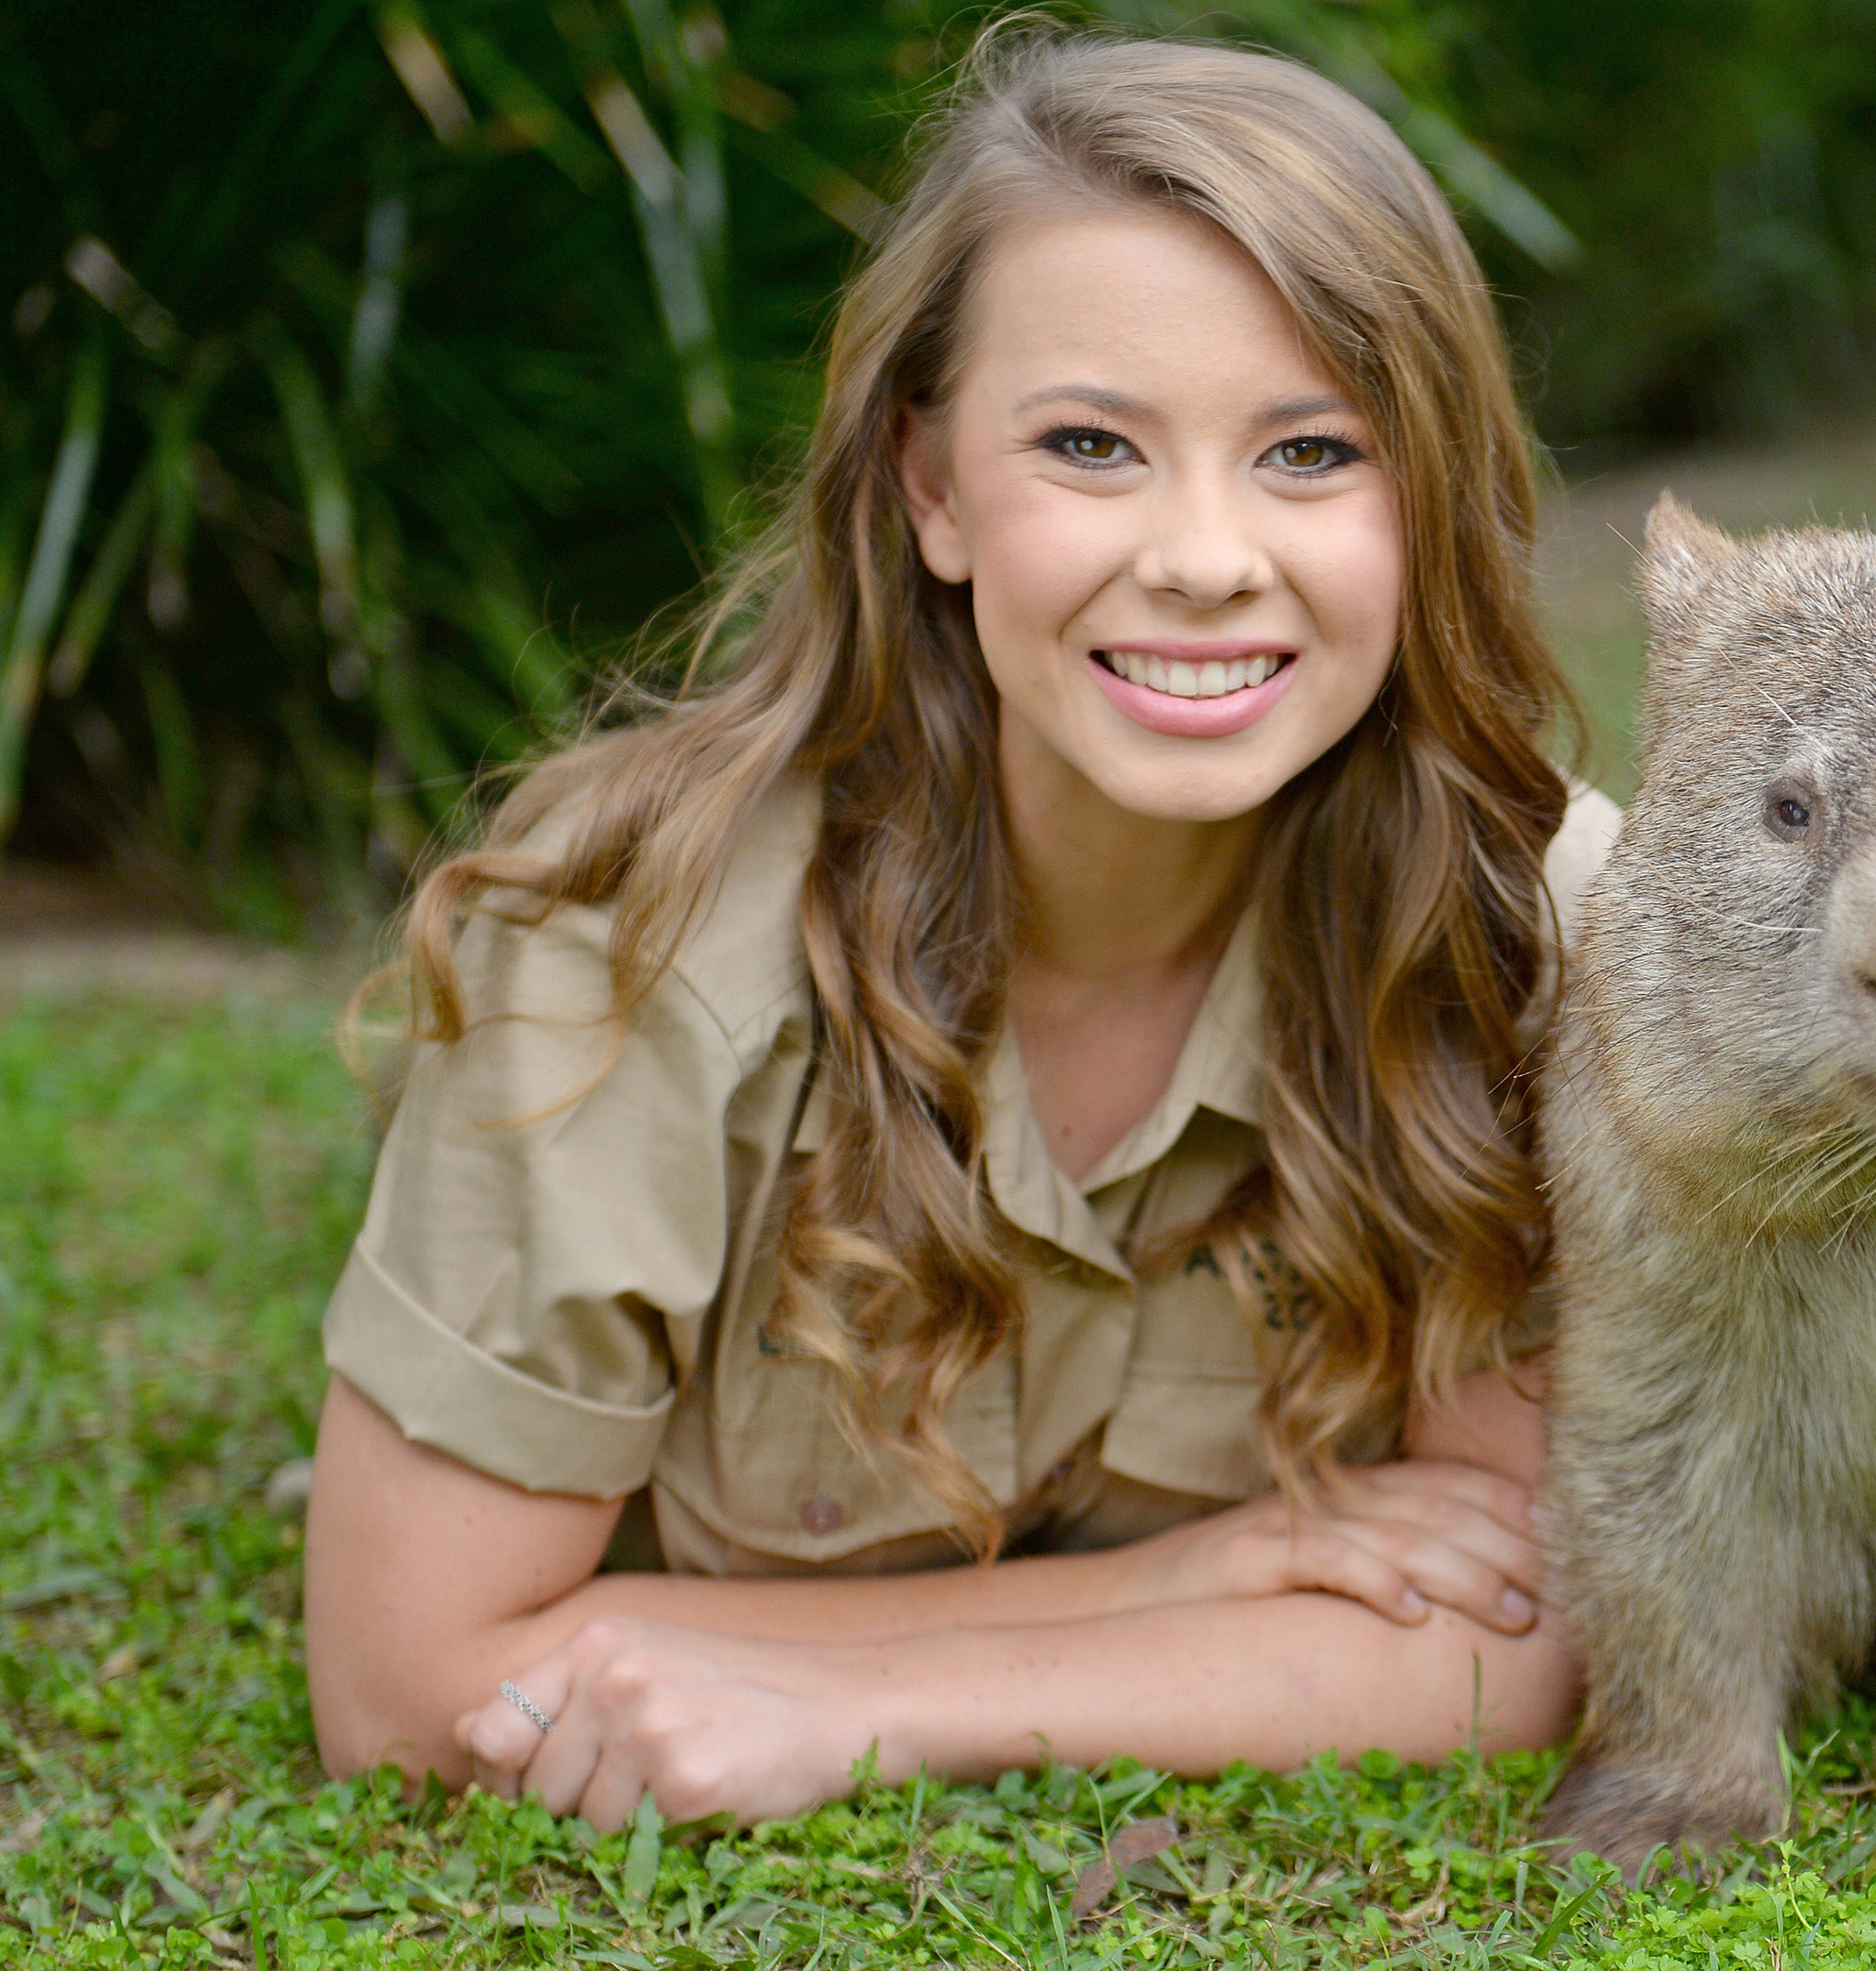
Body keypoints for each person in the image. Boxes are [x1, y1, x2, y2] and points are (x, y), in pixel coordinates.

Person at [299, 30, 1613, 1833]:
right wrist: (1172, 1589)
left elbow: (1518, 1632)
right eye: (1092, 446)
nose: (1208, 556)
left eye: (1314, 452)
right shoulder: (632, 957)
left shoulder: (1539, 941)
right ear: (929, 488)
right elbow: (407, 1684)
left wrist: (871, 1702)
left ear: (1433, 493)